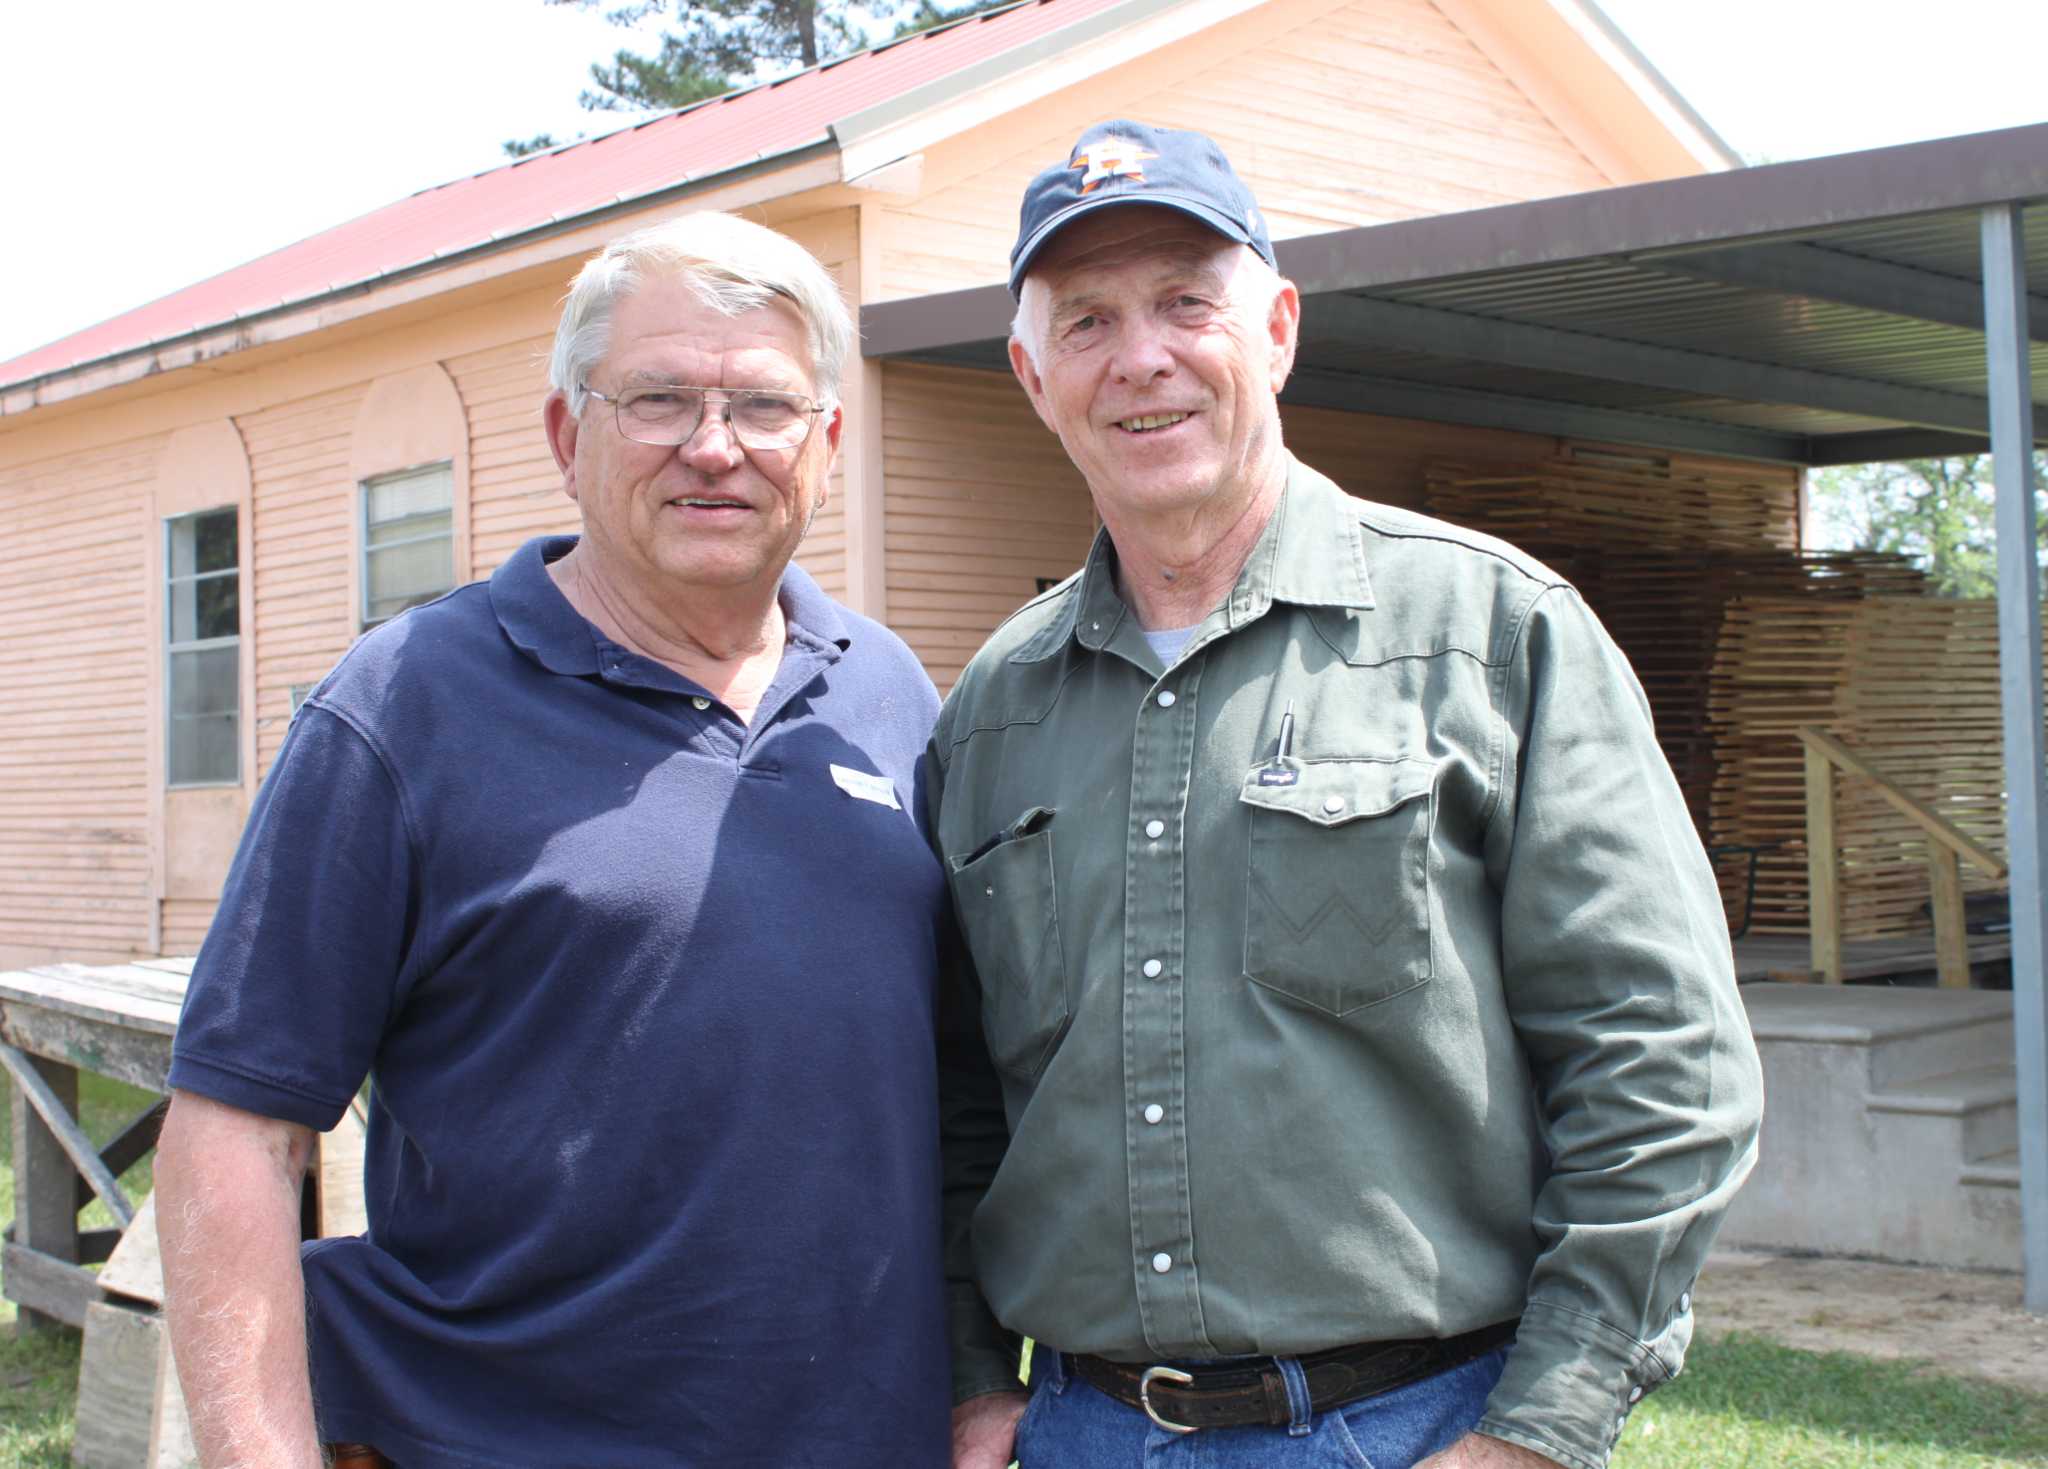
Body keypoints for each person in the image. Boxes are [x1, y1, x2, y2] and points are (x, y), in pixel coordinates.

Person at [931, 121, 1765, 1469]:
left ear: (1278, 330)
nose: (1141, 356)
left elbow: (1660, 1056)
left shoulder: (1491, 633)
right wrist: (975, 1383)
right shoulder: (992, 710)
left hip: (1417, 1427)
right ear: (1033, 375)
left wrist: (1542, 1429)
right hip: (1079, 1431)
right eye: (1085, 320)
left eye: (1185, 302)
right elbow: (959, 1099)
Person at [155, 211, 952, 1469]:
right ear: (565, 432)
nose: (713, 447)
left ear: (827, 442)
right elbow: (237, 1129)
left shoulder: (889, 693)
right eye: (658, 399)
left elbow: (947, 1087)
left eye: (763, 406)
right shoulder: (406, 703)